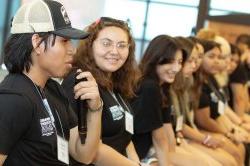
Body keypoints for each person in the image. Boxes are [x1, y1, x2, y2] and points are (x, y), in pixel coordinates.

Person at [0, 0, 103, 165]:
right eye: (64, 41)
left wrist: (96, 108)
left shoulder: (53, 89)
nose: (72, 50)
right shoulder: (13, 99)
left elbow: (84, 155)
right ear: (37, 43)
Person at [62, 17, 142, 166]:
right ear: (90, 45)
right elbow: (93, 150)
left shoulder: (116, 82)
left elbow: (125, 135)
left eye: (122, 45)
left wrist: (138, 163)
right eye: (106, 43)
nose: (115, 51)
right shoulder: (80, 80)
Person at [131, 35, 209, 166]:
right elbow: (159, 137)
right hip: (138, 155)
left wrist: (175, 155)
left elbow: (166, 129)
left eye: (179, 62)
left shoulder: (163, 86)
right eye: (170, 61)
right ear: (155, 59)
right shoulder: (149, 86)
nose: (176, 68)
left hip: (150, 151)